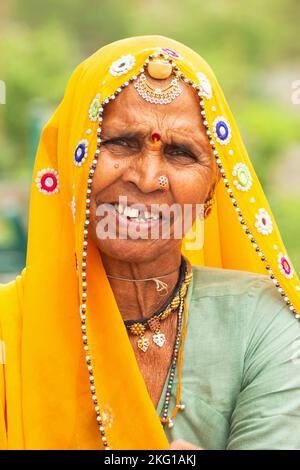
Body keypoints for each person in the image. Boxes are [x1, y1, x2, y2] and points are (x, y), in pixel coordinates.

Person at [1, 35, 300, 450]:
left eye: (180, 153)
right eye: (121, 142)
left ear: (213, 187)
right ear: (71, 160)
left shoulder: (263, 326)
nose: (146, 178)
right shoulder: (7, 331)